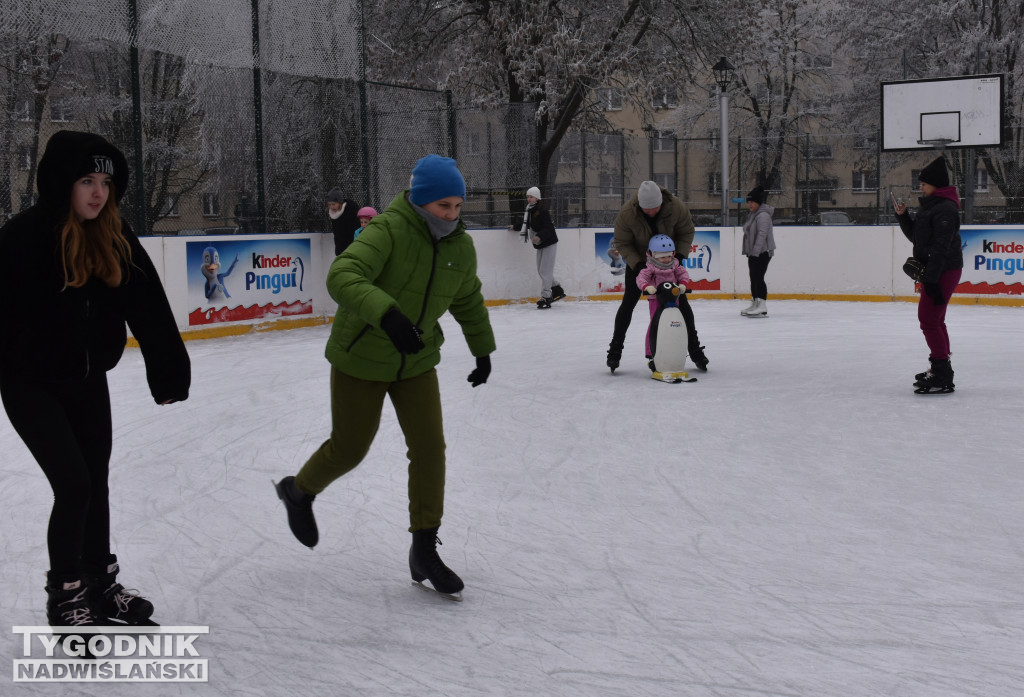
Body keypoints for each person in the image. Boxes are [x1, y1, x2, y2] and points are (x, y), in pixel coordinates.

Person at [275, 154, 495, 598]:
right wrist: (387, 315)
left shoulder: (460, 246)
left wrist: (482, 350)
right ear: (420, 201)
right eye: (442, 206)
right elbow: (343, 275)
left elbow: (467, 297)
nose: (451, 216)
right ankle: (298, 492)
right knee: (350, 448)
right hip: (363, 357)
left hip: (415, 361)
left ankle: (424, 547)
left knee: (430, 448)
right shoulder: (387, 230)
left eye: (457, 206)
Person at [0, 130, 191, 628]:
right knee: (74, 484)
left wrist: (168, 371)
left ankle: (100, 586)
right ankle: (66, 598)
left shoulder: (114, 234)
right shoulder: (22, 236)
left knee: (96, 483)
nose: (98, 192)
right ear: (62, 181)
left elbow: (147, 305)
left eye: (105, 181)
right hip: (29, 384)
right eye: (87, 180)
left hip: (86, 382)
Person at [606, 180, 708, 372]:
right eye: (647, 209)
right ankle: (615, 351)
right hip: (640, 263)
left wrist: (677, 257)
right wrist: (637, 263)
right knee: (628, 303)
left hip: (669, 263)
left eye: (655, 208)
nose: (651, 212)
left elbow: (686, 231)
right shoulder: (628, 213)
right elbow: (622, 241)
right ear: (640, 206)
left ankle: (694, 349)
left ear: (661, 202)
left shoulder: (676, 207)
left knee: (682, 304)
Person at [894, 156, 963, 394]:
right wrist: (903, 216)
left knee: (928, 318)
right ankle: (942, 368)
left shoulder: (946, 209)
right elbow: (917, 238)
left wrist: (931, 280)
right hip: (935, 269)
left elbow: (942, 247)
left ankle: (941, 371)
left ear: (936, 185)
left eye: (924, 183)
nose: (920, 187)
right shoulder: (931, 207)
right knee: (935, 319)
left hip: (944, 269)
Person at [637, 234, 692, 360]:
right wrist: (646, 287)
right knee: (656, 323)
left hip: (673, 299)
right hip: (656, 300)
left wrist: (683, 284)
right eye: (662, 257)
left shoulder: (675, 264)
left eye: (668, 255)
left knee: (674, 322)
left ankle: (674, 347)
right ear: (652, 254)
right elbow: (641, 278)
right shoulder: (650, 266)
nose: (666, 259)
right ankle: (651, 352)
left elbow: (683, 274)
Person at [509, 187, 565, 309]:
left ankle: (546, 296)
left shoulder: (542, 211)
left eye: (531, 197)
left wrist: (539, 236)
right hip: (540, 244)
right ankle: (557, 290)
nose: (529, 199)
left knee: (545, 271)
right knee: (541, 271)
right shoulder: (529, 210)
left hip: (549, 243)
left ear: (537, 198)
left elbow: (549, 228)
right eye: (528, 197)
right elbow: (527, 224)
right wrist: (515, 227)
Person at [740, 185, 776, 317]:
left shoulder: (763, 215)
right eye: (748, 202)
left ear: (758, 202)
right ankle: (756, 302)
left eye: (752, 202)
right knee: (753, 277)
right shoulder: (753, 214)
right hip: (754, 252)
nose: (749, 204)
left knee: (758, 277)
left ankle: (762, 304)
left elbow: (762, 234)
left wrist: (755, 252)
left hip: (762, 252)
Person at [326, 187, 359, 256]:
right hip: (341, 250)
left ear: (340, 202)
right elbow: (338, 235)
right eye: (329, 204)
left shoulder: (351, 210)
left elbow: (354, 231)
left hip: (353, 248)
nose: (331, 207)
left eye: (333, 204)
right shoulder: (334, 213)